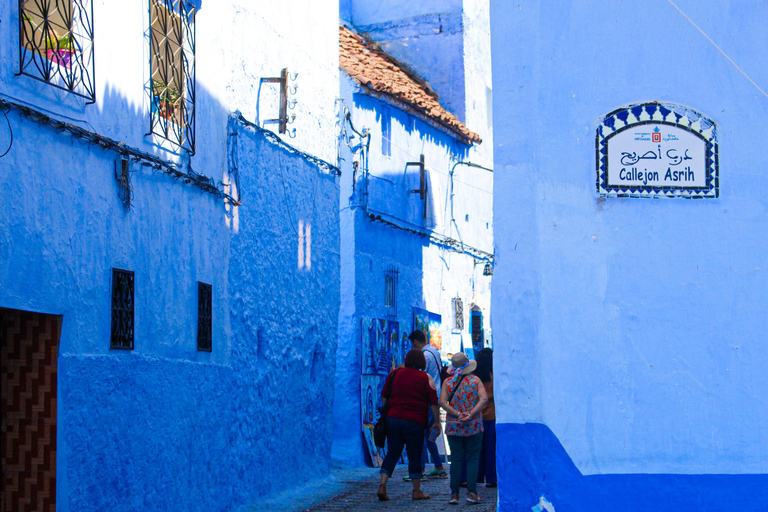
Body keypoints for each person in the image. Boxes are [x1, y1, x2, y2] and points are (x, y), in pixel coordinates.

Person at [377, 349, 441, 501]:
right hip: (415, 421)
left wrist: (387, 412)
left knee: (393, 452)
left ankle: (382, 484)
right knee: (414, 455)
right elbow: (433, 402)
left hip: (393, 419)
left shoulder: (394, 374)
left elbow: (384, 395)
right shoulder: (426, 378)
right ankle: (417, 491)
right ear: (422, 362)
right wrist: (437, 422)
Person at [440, 352, 488, 505]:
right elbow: (484, 399)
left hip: (454, 426)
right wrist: (471, 413)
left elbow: (442, 402)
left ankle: (454, 495)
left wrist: (457, 414)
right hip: (473, 425)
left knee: (456, 459)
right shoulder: (475, 381)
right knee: (473, 459)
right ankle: (472, 493)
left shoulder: (448, 382)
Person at [408, 329, 447, 479]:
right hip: (436, 394)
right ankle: (438, 465)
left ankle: (421, 469)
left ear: (416, 341)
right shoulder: (434, 352)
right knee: (429, 433)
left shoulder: (424, 355)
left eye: (413, 344)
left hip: (427, 396)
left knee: (422, 434)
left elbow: (420, 374)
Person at [474, 348, 496, 487]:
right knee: (491, 449)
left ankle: (477, 476)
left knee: (476, 449)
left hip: (476, 415)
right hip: (492, 416)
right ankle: (491, 478)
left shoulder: (474, 376)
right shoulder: (494, 376)